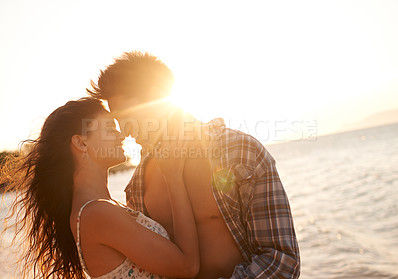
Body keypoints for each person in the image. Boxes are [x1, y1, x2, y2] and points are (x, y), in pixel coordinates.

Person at [87, 51, 301, 279]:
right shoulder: (139, 185)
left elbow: (282, 261)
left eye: (126, 117)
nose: (126, 131)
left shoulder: (240, 153)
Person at [1, 98, 199, 279]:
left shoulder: (98, 210)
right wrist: (173, 177)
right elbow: (187, 267)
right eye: (110, 129)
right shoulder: (97, 214)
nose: (121, 135)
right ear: (81, 142)